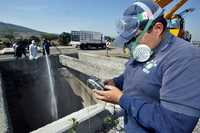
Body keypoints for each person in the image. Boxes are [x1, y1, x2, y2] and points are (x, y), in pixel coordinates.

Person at [93, 0, 200, 133]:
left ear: (157, 29)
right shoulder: (145, 50)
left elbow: (175, 126)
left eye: (134, 38)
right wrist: (116, 82)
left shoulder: (184, 57)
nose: (132, 45)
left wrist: (122, 99)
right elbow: (133, 73)